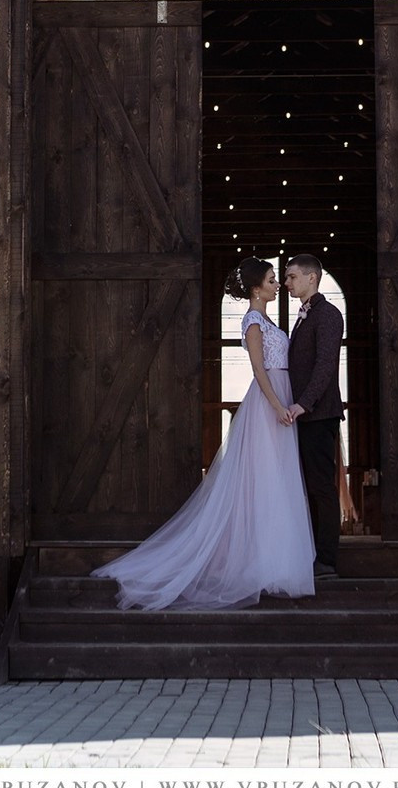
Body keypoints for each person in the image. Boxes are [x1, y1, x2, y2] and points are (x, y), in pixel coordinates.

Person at [90, 257, 316, 610]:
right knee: (266, 480)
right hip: (269, 405)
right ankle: (261, 564)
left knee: (279, 480)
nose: (278, 285)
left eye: (278, 279)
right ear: (256, 288)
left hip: (282, 401)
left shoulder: (269, 320)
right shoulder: (253, 321)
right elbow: (259, 371)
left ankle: (276, 563)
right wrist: (277, 407)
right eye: (273, 280)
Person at [283, 253, 344, 578]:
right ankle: (312, 554)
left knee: (321, 487)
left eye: (292, 277)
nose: (287, 283)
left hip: (319, 415)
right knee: (309, 486)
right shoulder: (306, 315)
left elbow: (325, 366)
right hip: (306, 416)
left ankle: (327, 560)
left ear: (311, 278)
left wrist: (303, 404)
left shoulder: (329, 315)